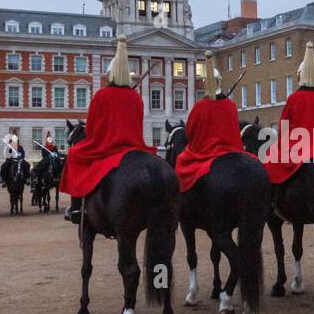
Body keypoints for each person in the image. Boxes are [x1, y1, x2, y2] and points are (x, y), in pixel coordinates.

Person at [60, 36, 154, 222]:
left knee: (74, 154)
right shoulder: (136, 98)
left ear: (110, 74)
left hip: (105, 148)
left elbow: (92, 129)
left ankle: (77, 208)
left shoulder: (101, 95)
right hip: (134, 147)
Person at [260, 42, 314, 183]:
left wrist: (280, 143)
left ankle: (273, 200)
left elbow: (283, 126)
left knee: (270, 160)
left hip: (299, 144)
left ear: (299, 76)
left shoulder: (294, 97)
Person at [174, 51, 250, 192]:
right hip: (232, 151)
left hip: (204, 153)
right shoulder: (230, 105)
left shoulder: (200, 106)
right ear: (219, 81)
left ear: (204, 83)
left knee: (180, 163)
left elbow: (190, 133)